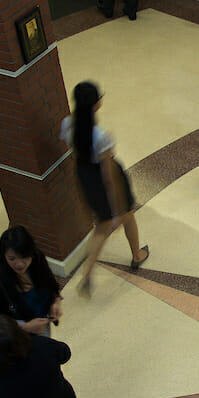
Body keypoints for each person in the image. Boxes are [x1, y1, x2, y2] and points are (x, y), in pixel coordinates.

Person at [60, 81, 149, 298]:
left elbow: (74, 156)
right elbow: (109, 178)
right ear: (95, 104)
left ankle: (87, 274)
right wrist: (117, 210)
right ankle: (137, 255)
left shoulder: (67, 124)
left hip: (84, 175)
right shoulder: (100, 137)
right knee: (127, 215)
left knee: (101, 226)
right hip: (102, 178)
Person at [0, 225, 63, 337]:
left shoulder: (37, 259)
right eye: (12, 258)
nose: (20, 264)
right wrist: (24, 327)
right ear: (4, 256)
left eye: (24, 257)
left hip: (42, 326)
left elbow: (50, 284)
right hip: (18, 338)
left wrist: (55, 301)